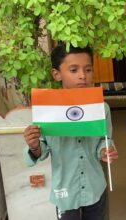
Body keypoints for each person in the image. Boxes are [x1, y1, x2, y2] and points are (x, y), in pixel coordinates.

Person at [23, 43, 118, 220]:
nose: (83, 76)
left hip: (95, 187)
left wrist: (106, 150)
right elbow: (41, 148)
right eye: (74, 70)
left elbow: (105, 139)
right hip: (64, 191)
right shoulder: (47, 109)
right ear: (56, 74)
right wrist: (34, 145)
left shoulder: (100, 107)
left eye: (88, 70)